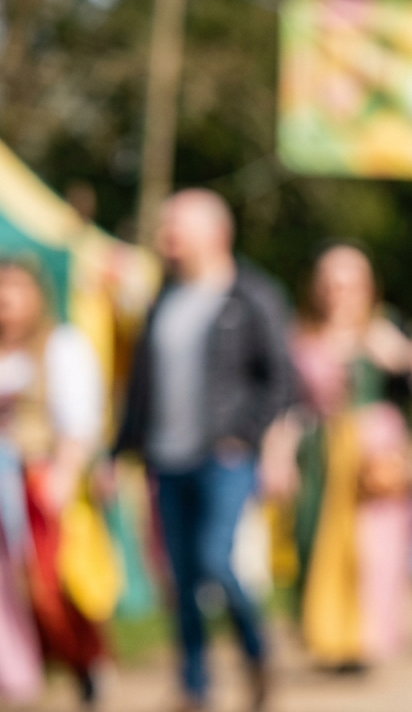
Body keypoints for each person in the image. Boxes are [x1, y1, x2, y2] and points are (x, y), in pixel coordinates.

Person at [111, 189, 297, 712]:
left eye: (176, 226)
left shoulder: (252, 295)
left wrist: (250, 435)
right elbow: (141, 387)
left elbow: (281, 379)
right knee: (182, 576)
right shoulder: (163, 299)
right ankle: (194, 687)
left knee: (216, 560)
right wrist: (118, 451)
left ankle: (257, 652)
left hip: (224, 458)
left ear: (216, 233)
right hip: (166, 459)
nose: (164, 237)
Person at [273, 244, 412, 670]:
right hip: (319, 448)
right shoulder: (301, 336)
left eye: (349, 284)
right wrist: (280, 454)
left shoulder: (384, 331)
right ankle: (324, 634)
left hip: (373, 450)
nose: (339, 293)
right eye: (331, 284)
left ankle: (363, 638)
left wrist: (399, 357)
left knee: (371, 548)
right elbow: (289, 404)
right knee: (312, 541)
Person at [0, 259, 105, 708]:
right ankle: (8, 672)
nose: (4, 299)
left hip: (34, 479)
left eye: (15, 288)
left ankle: (82, 662)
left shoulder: (60, 346)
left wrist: (65, 474)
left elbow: (79, 420)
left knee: (50, 582)